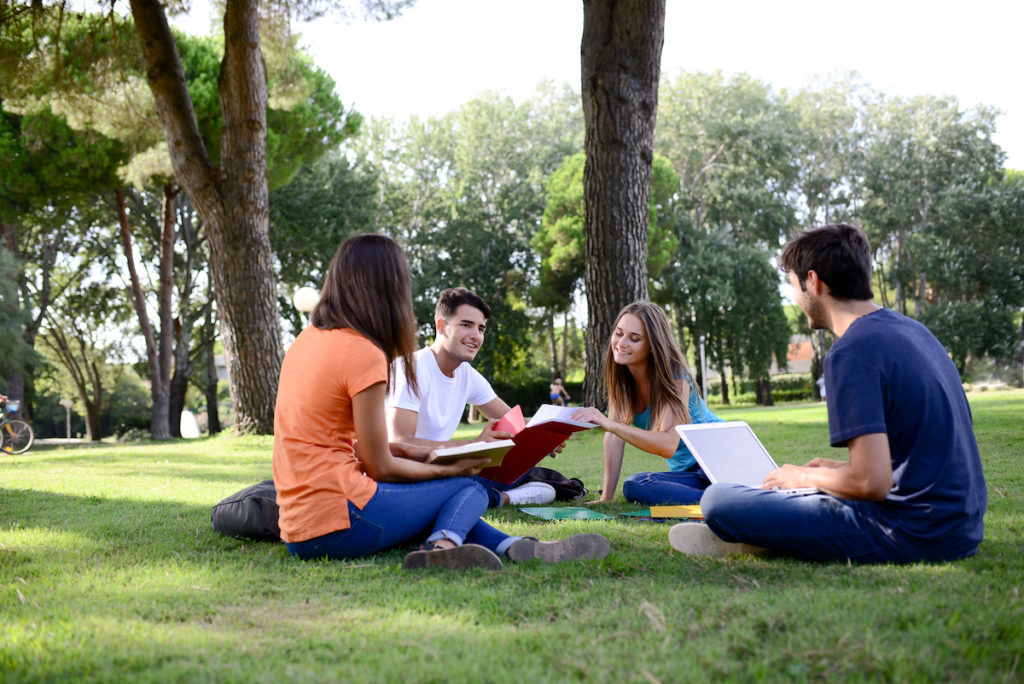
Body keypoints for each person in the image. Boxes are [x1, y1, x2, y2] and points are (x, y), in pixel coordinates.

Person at [273, 234, 609, 570]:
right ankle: (441, 547)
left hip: (300, 527)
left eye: (480, 327)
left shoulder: (305, 342)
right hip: (340, 519)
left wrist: (453, 454)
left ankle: (514, 547)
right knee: (466, 488)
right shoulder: (364, 353)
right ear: (389, 287)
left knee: (449, 497)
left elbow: (366, 448)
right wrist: (449, 469)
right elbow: (380, 465)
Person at [670, 223, 987, 563]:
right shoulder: (914, 332)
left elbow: (872, 482)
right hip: (961, 528)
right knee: (781, 492)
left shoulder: (852, 350)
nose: (795, 299)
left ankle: (758, 537)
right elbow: (910, 457)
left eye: (794, 287)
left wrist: (802, 476)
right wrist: (832, 471)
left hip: (909, 532)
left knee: (719, 499)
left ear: (814, 281)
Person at [387, 287, 557, 508]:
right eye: (466, 325)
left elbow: (512, 421)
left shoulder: (467, 374)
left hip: (443, 468)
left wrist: (548, 431)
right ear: (441, 326)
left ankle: (494, 493)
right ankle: (503, 498)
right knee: (465, 481)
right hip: (404, 474)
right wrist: (473, 443)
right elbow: (400, 442)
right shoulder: (413, 368)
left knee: (518, 473)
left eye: (481, 328)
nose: (476, 336)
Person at [571, 301, 723, 505]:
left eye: (634, 339)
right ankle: (724, 499)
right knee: (637, 485)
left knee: (638, 484)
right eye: (619, 333)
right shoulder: (623, 382)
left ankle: (727, 501)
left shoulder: (675, 379)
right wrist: (606, 497)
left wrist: (611, 424)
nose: (621, 343)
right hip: (690, 473)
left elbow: (667, 445)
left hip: (718, 458)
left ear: (652, 347)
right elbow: (614, 437)